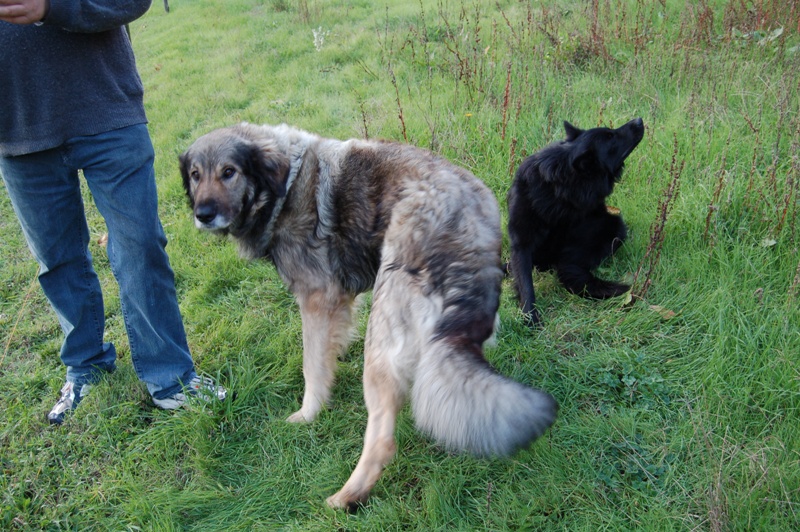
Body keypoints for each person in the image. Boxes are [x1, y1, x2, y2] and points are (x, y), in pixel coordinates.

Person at [0, 0, 226, 424]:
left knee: (139, 244)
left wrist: (53, 7)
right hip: (15, 126)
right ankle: (86, 368)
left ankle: (172, 378)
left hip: (106, 110)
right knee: (56, 258)